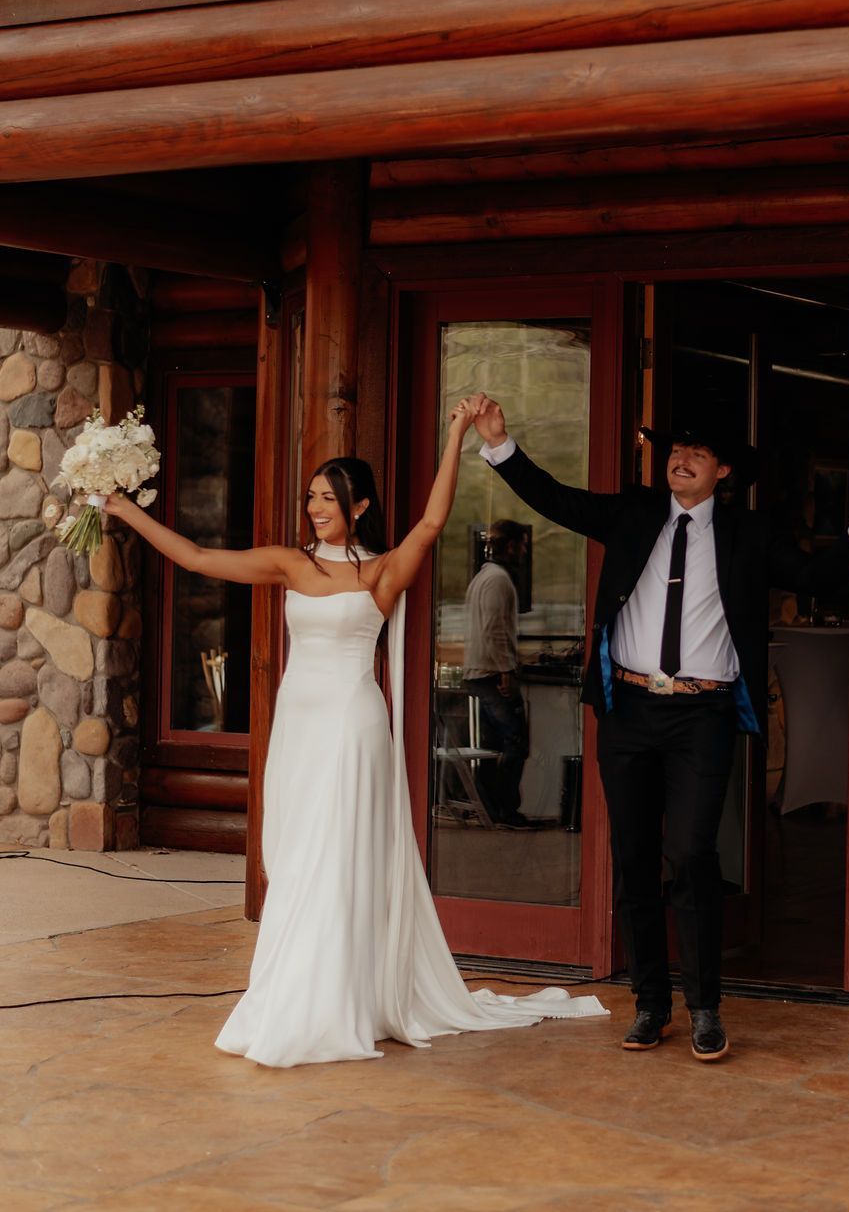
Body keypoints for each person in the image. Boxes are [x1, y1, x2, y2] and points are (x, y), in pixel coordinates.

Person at [99, 398, 607, 1066]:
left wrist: (454, 433)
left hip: (352, 726)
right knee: (294, 855)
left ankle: (330, 1002)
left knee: (332, 860)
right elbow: (196, 557)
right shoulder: (290, 563)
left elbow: (432, 521)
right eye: (311, 496)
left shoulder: (380, 571)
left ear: (360, 506)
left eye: (330, 499)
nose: (316, 508)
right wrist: (122, 509)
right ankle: (299, 989)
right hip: (299, 729)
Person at [472, 394, 849, 1061]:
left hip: (701, 714)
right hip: (627, 710)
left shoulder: (749, 533)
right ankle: (650, 1004)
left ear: (724, 472)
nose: (680, 460)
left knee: (692, 853)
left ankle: (705, 1007)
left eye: (696, 453)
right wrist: (500, 444)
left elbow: (817, 578)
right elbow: (556, 500)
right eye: (675, 451)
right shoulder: (632, 512)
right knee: (632, 860)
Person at [463, 519, 531, 828]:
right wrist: (507, 671)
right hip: (490, 674)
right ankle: (505, 810)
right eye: (522, 545)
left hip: (481, 673)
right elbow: (495, 630)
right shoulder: (499, 580)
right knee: (516, 741)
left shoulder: (483, 577)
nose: (524, 551)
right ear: (511, 545)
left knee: (492, 747)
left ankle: (490, 809)